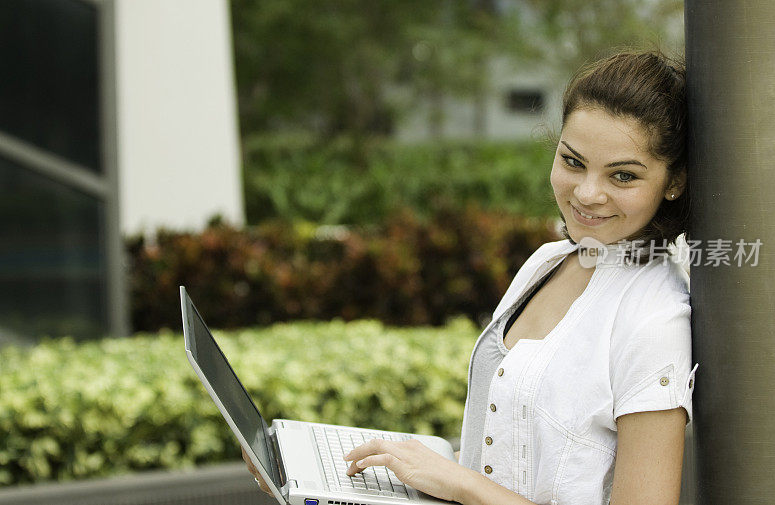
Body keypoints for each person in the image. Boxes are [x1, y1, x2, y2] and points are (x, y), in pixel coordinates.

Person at [244, 48, 697, 505]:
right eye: (573, 162)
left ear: (673, 181)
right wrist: (354, 475)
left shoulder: (654, 316)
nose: (587, 193)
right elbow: (508, 454)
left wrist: (457, 482)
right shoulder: (549, 261)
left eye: (622, 176)